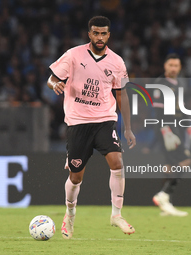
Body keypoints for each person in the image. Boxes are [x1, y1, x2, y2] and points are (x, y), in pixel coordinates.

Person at [47, 16, 136, 239]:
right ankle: (69, 214)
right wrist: (55, 84)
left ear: (109, 35)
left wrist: (127, 128)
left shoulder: (117, 62)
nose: (99, 37)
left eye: (103, 33)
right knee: (76, 177)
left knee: (117, 162)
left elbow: (121, 94)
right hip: (78, 122)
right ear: (89, 34)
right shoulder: (74, 55)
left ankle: (116, 214)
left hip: (104, 120)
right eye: (95, 33)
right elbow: (51, 78)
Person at [150, 53, 191, 216]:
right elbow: (158, 110)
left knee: (170, 166)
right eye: (170, 65)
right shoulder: (160, 83)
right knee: (185, 161)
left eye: (176, 66)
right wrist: (165, 131)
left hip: (177, 127)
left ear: (180, 68)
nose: (173, 68)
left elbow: (182, 110)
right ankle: (163, 195)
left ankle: (166, 204)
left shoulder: (179, 84)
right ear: (165, 66)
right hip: (167, 129)